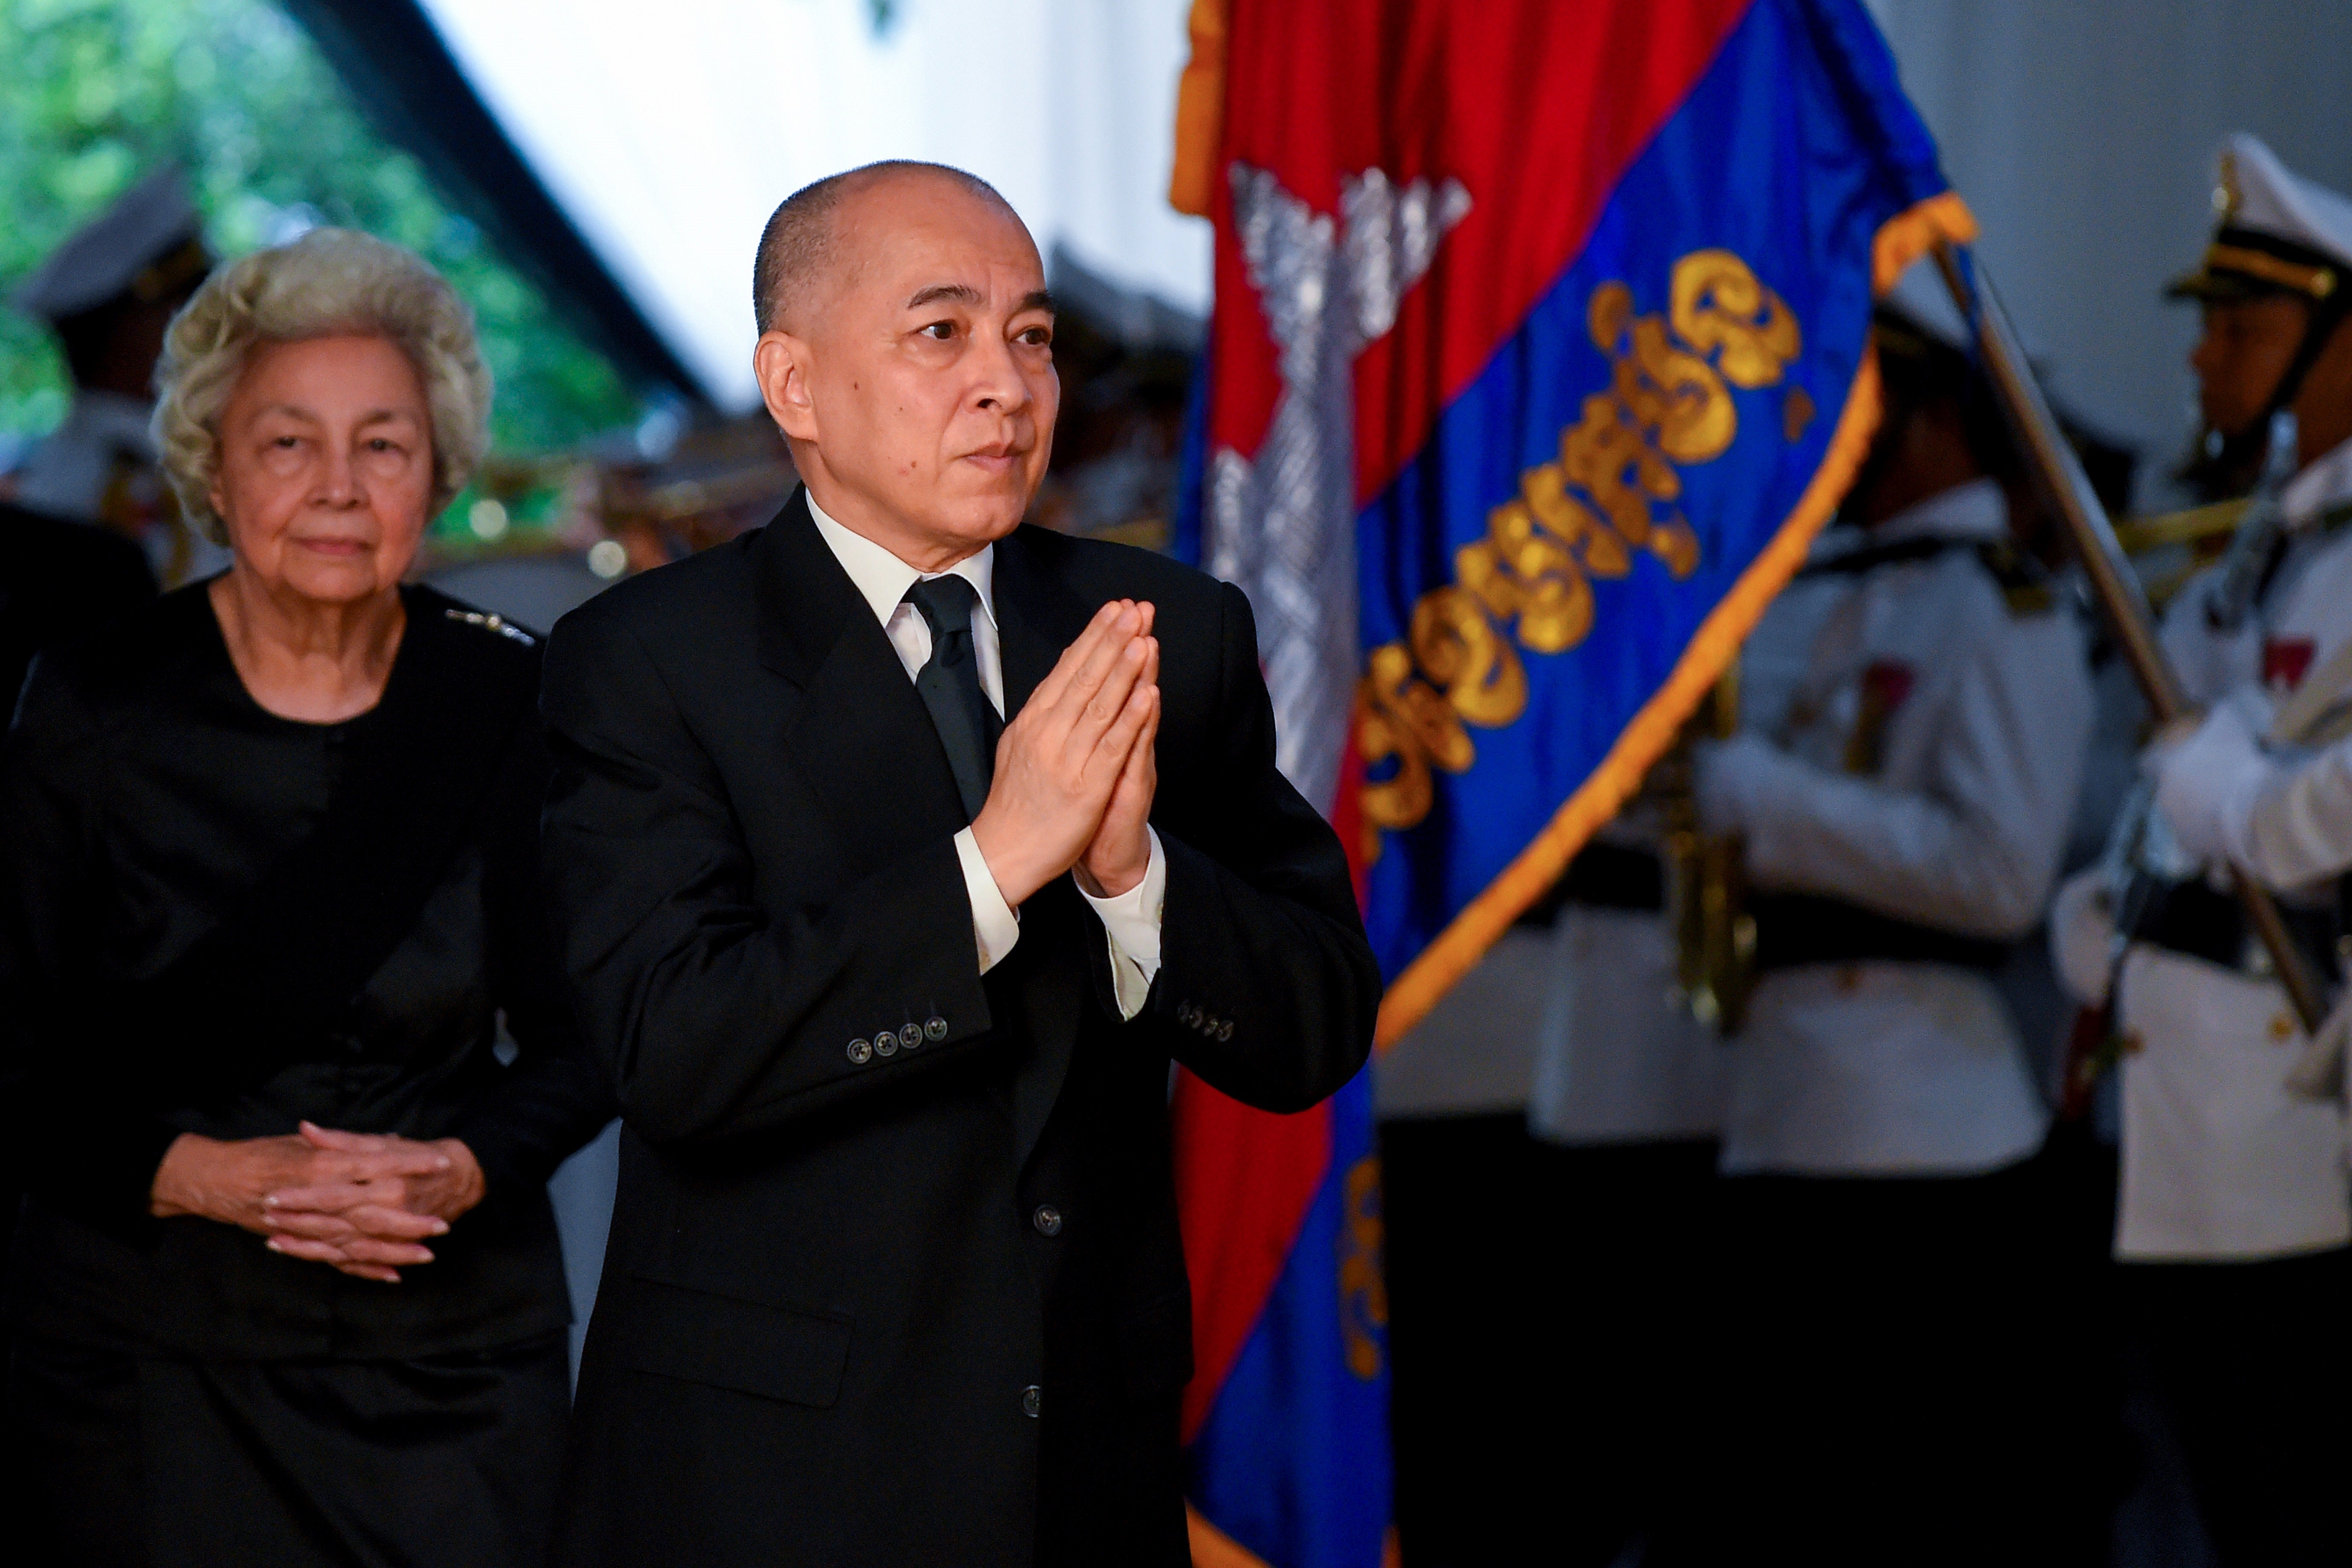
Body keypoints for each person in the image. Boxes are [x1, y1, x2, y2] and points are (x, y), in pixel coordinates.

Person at [540, 161, 1378, 1568]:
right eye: (942, 333)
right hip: (770, 1470)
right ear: (793, 387)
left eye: (1032, 335)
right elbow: (674, 1046)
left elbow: (1314, 1026)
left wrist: (1131, 881)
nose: (1008, 382)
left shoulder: (1167, 630)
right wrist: (994, 864)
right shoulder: (642, 660)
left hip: (1083, 1454)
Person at [0, 227, 614, 1567]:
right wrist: (209, 1176)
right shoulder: (93, 705)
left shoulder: (513, 700)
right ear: (215, 470)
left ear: (438, 474)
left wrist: (462, 1169)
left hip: (454, 1360)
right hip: (148, 1360)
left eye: (382, 445)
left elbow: (588, 1038)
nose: (338, 487)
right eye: (289, 443)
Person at [1691, 288, 2095, 1563]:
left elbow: (1998, 870)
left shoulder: (2002, 607)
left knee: (1912, 1508)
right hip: (1789, 1105)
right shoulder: (1835, 587)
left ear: (1934, 421)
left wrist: (1766, 797)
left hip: (1921, 1133)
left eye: (1863, 407)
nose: (1831, 431)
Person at [2051, 132, 2352, 1566]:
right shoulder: (2267, 548)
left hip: (2309, 1147)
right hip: (2192, 1143)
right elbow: (2164, 779)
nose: (2205, 359)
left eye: (2248, 329)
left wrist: (2253, 811)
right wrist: (2112, 908)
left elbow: (2254, 791)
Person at [7, 166, 222, 586]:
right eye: (185, 306)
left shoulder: (205, 443)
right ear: (122, 329)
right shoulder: (97, 485)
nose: (213, 327)